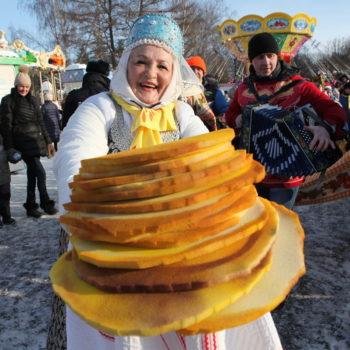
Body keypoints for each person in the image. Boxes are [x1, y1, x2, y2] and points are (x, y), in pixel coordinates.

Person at [51, 14, 283, 350]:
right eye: (141, 62)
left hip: (182, 246)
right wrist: (114, 222)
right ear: (125, 65)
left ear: (174, 72)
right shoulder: (98, 109)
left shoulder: (182, 115)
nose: (151, 73)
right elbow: (75, 166)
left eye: (162, 66)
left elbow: (211, 164)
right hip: (111, 245)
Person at [225, 32, 347, 209]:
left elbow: (334, 110)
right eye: (260, 57)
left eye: (270, 56)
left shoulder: (299, 86)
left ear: (277, 56)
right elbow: (229, 114)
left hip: (288, 174)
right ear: (252, 61)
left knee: (280, 221)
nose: (266, 62)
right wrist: (236, 119)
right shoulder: (243, 89)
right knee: (256, 220)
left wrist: (325, 128)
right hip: (251, 171)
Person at [0, 65, 57, 218]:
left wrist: (48, 141)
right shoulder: (8, 101)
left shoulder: (33, 100)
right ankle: (45, 203)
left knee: (33, 175)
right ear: (16, 85)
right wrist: (10, 147)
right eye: (21, 86)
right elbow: (6, 126)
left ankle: (31, 206)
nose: (23, 89)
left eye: (26, 86)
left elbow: (41, 122)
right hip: (21, 143)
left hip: (35, 142)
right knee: (41, 172)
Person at [62, 59, 110, 128]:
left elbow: (65, 126)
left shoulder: (73, 96)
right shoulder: (111, 96)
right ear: (105, 76)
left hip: (79, 136)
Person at [185, 55, 217, 131]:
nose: (195, 72)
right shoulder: (191, 89)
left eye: (199, 69)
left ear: (203, 73)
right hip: (194, 131)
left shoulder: (210, 88)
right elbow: (208, 116)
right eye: (192, 69)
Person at [0, 132, 15, 227]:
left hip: (4, 174)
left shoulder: (2, 136)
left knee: (6, 196)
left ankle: (6, 217)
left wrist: (13, 155)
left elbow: (8, 150)